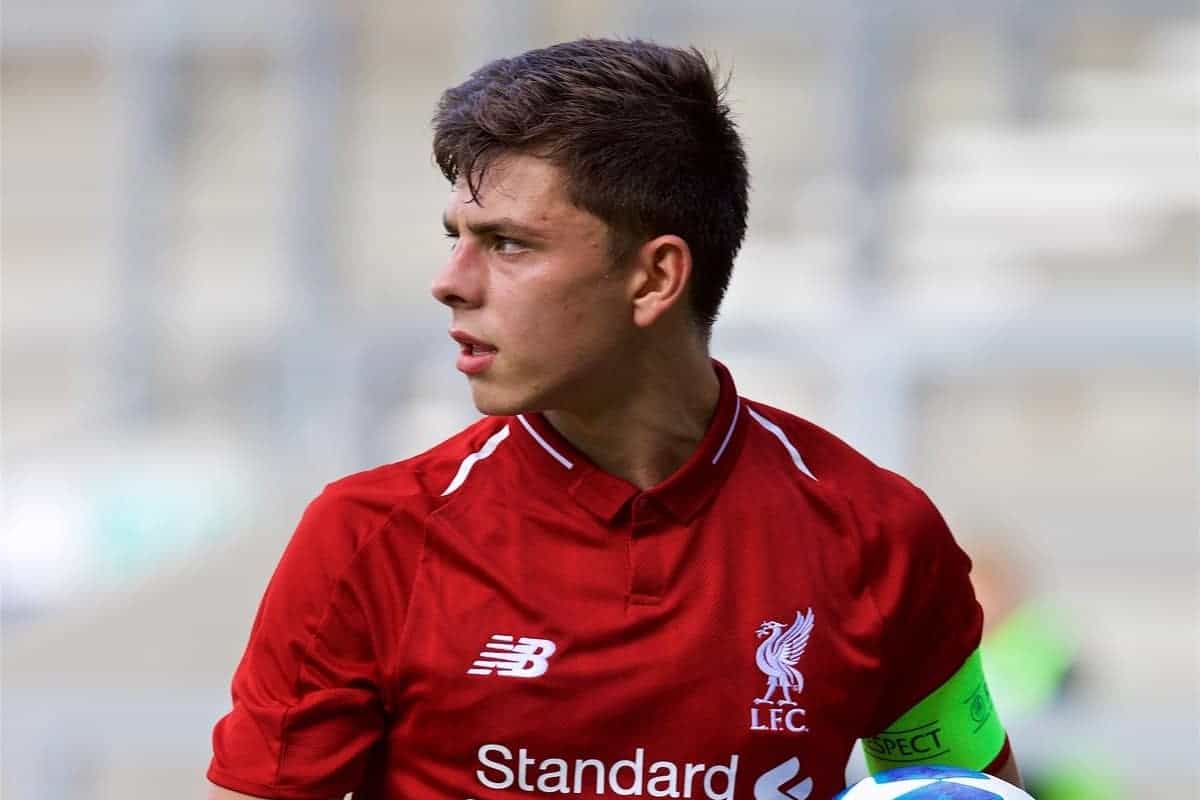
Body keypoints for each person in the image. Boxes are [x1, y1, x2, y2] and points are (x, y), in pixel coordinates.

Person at [207, 38, 1022, 799]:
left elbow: (962, 789)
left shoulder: (877, 533)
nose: (450, 281)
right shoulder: (369, 538)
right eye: (455, 236)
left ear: (655, 277)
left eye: (508, 244)